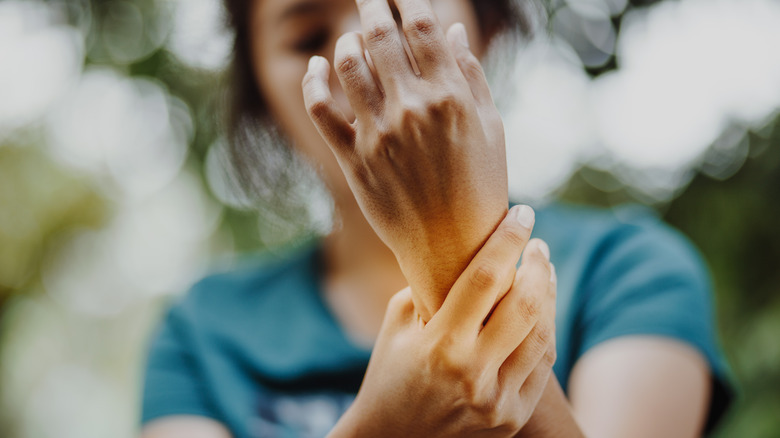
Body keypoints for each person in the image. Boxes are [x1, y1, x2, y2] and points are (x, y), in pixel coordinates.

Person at [140, 0, 731, 437]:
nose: (361, 56)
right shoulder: (203, 334)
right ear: (263, 102)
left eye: (397, 13)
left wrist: (452, 245)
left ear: (488, 30)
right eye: (309, 36)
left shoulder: (628, 273)